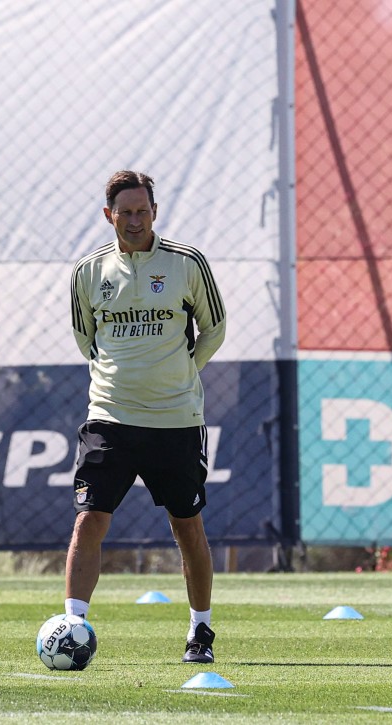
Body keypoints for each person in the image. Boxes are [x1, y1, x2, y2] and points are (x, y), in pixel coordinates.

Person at [65, 170, 227, 663]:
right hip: (109, 415)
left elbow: (214, 328)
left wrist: (183, 373)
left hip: (175, 418)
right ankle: (72, 627)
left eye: (143, 211)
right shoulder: (88, 271)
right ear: (108, 215)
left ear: (154, 212)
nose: (135, 220)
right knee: (89, 519)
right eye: (125, 212)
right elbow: (85, 338)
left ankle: (200, 630)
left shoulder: (187, 263)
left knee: (187, 526)